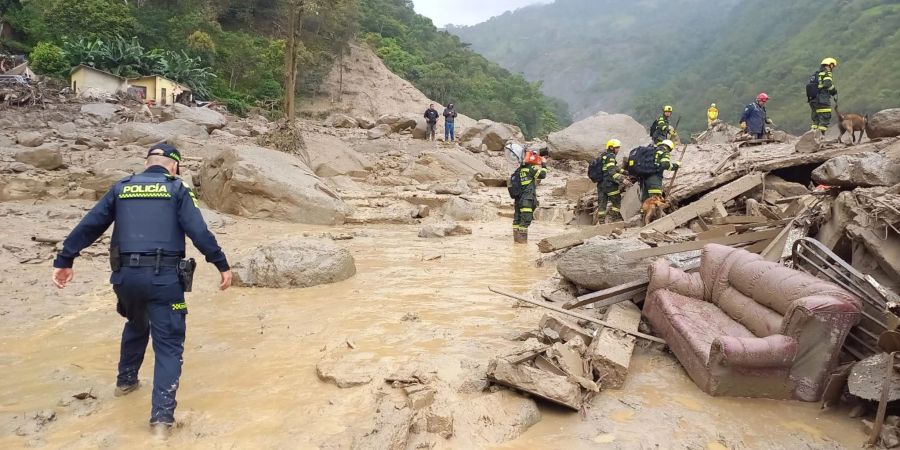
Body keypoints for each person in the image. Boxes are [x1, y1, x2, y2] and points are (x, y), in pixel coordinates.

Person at [51, 144, 232, 436]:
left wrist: (65, 259)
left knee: (136, 323)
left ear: (147, 163)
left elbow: (90, 225)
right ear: (174, 166)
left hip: (125, 280)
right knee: (169, 345)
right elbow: (199, 232)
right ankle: (161, 421)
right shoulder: (176, 189)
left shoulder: (122, 187)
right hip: (164, 280)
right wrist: (221, 265)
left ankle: (125, 383)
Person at [590, 139, 631, 223]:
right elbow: (611, 171)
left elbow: (614, 168)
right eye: (617, 148)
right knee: (617, 202)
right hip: (609, 184)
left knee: (602, 204)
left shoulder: (604, 156)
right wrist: (623, 179)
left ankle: (601, 223)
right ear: (611, 147)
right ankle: (612, 219)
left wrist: (626, 172)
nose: (618, 150)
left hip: (600, 184)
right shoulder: (611, 156)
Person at [512, 150, 548, 243]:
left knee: (517, 220)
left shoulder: (519, 169)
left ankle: (516, 242)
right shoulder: (530, 168)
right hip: (527, 199)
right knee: (525, 220)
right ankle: (522, 244)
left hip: (518, 200)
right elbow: (543, 175)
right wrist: (544, 164)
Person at [637, 139, 680, 203]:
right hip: (654, 178)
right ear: (669, 147)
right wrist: (676, 165)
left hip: (644, 177)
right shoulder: (664, 151)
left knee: (646, 200)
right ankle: (655, 212)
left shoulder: (652, 150)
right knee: (656, 198)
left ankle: (644, 212)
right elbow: (665, 165)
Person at [809, 57, 838, 136]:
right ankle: (821, 137)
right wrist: (834, 92)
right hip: (822, 99)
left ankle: (811, 137)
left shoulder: (815, 74)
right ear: (829, 65)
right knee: (825, 117)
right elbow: (828, 84)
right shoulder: (827, 73)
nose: (833, 68)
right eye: (832, 66)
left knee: (816, 120)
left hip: (813, 100)